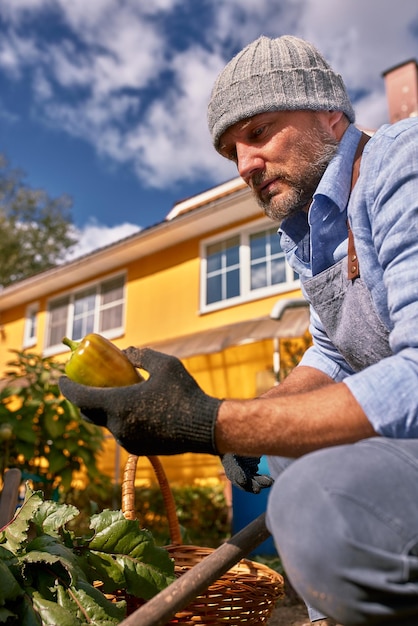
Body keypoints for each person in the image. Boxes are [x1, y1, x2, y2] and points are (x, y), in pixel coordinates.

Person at [59, 35, 418, 626]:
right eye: (231, 150)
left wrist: (213, 423)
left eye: (259, 132)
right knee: (283, 458)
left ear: (330, 115)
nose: (245, 165)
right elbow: (334, 349)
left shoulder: (400, 162)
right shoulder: (308, 227)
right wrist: (249, 423)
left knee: (314, 504)